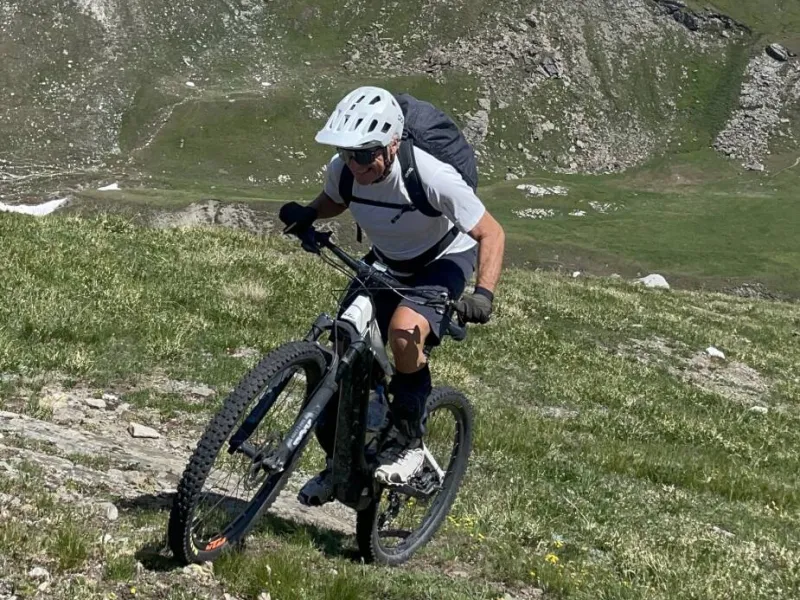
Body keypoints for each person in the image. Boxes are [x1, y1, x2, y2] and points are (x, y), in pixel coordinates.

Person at [278, 86, 505, 506]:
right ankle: (342, 464)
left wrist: (483, 295)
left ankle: (410, 445)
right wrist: (310, 213)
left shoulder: (430, 175)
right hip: (387, 260)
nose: (356, 164)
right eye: (348, 153)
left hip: (442, 260)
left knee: (403, 333)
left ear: (393, 144)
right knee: (345, 338)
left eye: (365, 154)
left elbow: (491, 232)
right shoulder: (345, 169)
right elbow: (335, 199)